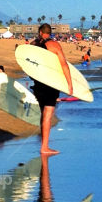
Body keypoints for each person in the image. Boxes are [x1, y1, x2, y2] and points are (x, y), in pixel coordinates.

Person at [32, 22, 73, 156]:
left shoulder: (33, 45)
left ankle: (43, 143)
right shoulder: (54, 45)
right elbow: (64, 65)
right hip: (51, 84)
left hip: (38, 83)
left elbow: (27, 62)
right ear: (50, 33)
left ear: (40, 33)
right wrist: (69, 84)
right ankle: (44, 147)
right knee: (48, 115)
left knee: (43, 113)